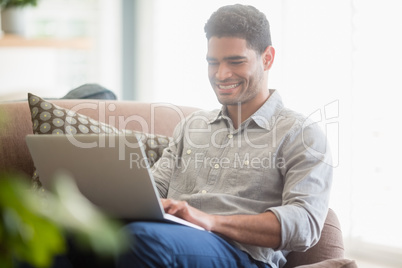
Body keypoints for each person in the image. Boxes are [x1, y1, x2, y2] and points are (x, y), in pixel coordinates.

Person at [117, 4, 332, 268]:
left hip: (241, 254)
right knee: (72, 236)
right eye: (213, 62)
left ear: (267, 58)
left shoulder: (300, 133)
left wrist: (210, 220)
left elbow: (305, 225)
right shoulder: (192, 126)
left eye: (235, 61)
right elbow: (153, 188)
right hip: (169, 235)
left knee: (140, 240)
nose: (221, 74)